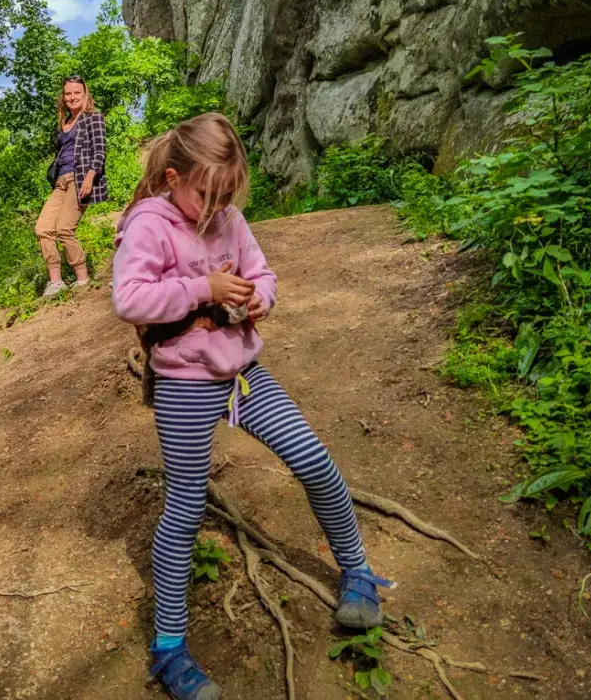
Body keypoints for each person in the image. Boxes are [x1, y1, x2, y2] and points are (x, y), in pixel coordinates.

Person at [111, 112, 390, 700]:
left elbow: (264, 274)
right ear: (171, 178)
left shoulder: (230, 219)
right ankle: (168, 648)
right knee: (184, 509)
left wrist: (256, 298)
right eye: (206, 196)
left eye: (227, 196)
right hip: (185, 383)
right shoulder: (149, 225)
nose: (216, 209)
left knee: (313, 460)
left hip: (241, 374)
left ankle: (358, 571)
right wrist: (202, 289)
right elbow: (129, 299)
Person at [36, 74, 108, 299]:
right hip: (60, 182)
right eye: (68, 93)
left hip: (80, 180)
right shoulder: (65, 122)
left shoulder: (93, 117)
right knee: (43, 228)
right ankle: (56, 282)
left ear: (85, 94)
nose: (72, 97)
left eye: (77, 92)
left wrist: (90, 177)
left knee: (64, 228)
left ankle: (82, 278)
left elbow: (100, 150)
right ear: (63, 97)